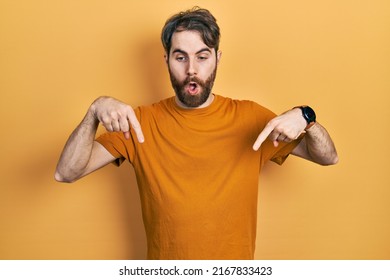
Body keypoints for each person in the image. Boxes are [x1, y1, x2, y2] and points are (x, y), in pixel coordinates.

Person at [55, 7, 338, 260]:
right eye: (181, 57)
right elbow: (66, 172)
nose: (192, 70)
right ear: (166, 59)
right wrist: (94, 111)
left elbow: (328, 157)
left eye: (202, 57)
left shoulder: (252, 118)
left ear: (217, 58)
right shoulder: (139, 122)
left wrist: (306, 117)